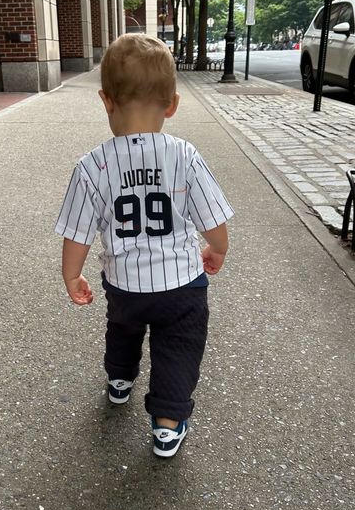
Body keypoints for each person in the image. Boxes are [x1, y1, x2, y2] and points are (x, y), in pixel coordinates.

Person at [55, 34, 234, 458]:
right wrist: (218, 250)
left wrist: (71, 274)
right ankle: (168, 423)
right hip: (181, 285)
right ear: (172, 104)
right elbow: (213, 218)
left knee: (122, 328)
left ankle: (119, 380)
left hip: (124, 284)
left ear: (106, 101)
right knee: (179, 346)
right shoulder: (184, 156)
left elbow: (77, 232)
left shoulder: (91, 166)